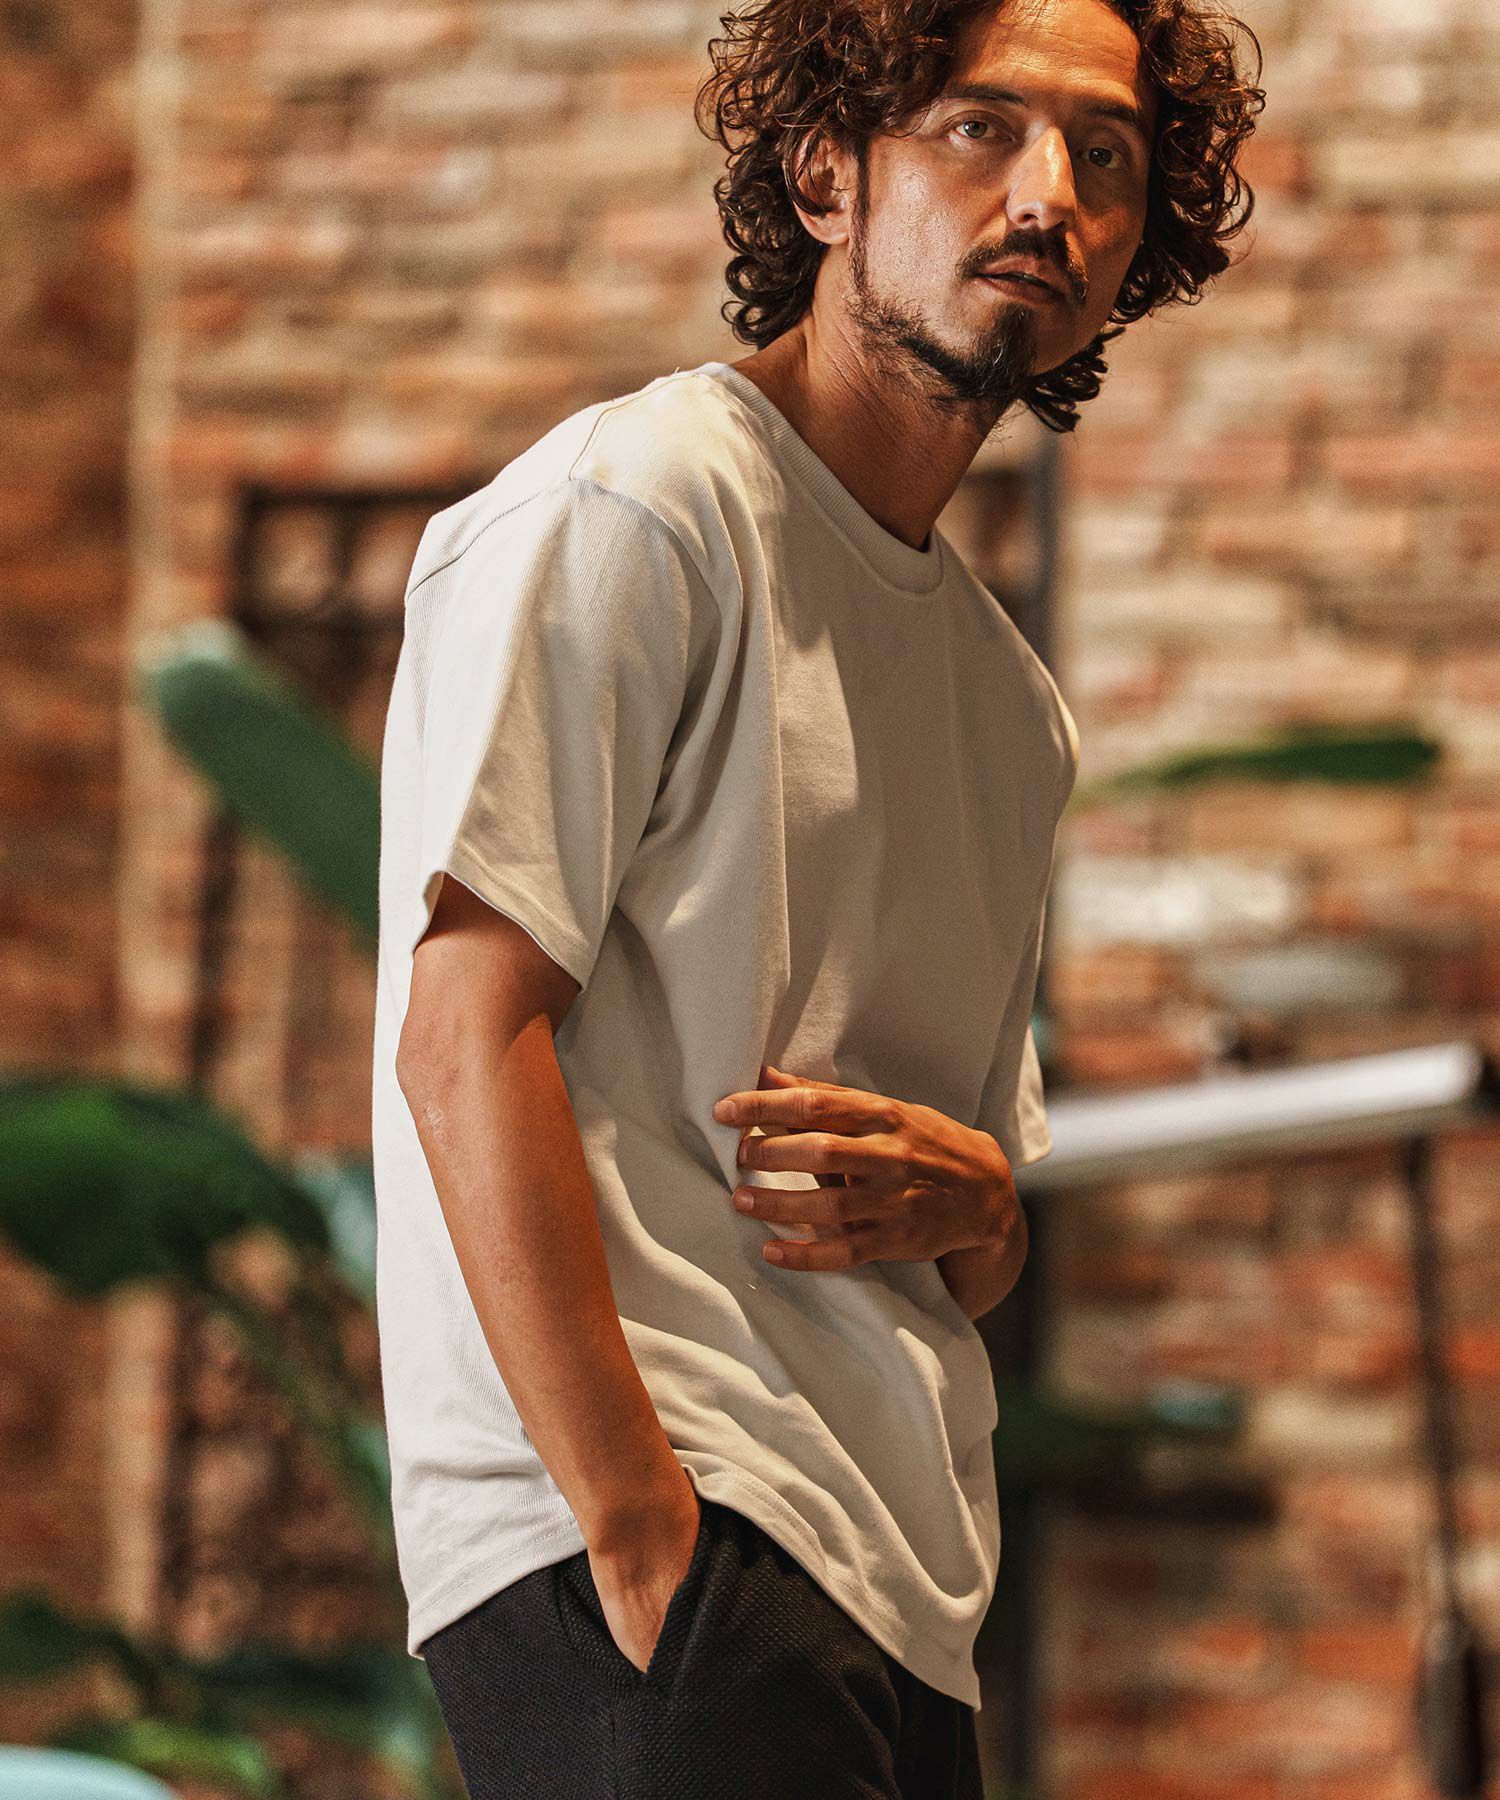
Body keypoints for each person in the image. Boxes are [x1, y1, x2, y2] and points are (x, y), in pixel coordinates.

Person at [372, 0, 1263, 1793]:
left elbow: (976, 1239)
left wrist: (980, 1196)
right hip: (663, 1544)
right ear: (825, 176)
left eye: (1104, 155)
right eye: (979, 128)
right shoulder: (642, 509)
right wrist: (636, 1529)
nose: (1049, 194)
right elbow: (460, 1039)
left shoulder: (1009, 710)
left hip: (899, 1586)